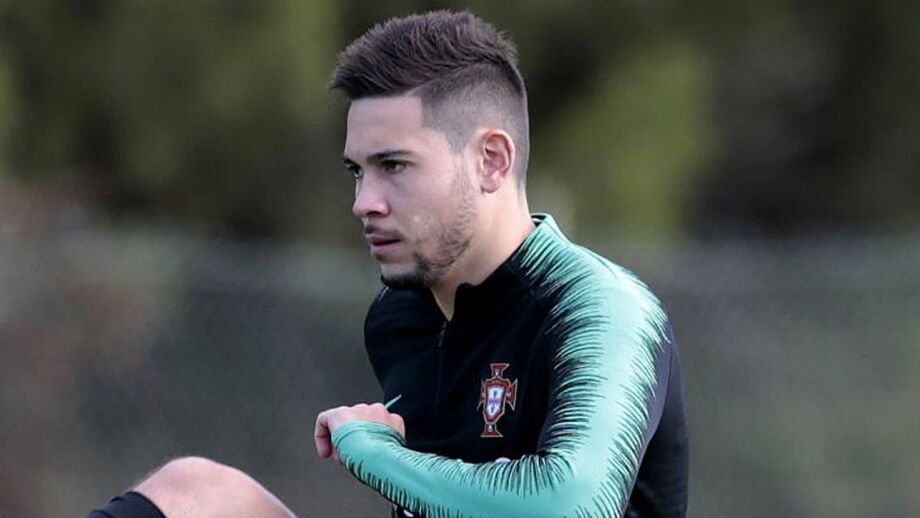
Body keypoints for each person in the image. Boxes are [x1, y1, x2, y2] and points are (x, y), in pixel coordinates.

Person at [83, 10, 687, 518]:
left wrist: (377, 455)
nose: (363, 202)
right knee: (196, 492)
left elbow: (570, 507)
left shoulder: (602, 310)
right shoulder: (399, 317)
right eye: (358, 170)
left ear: (492, 161)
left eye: (394, 166)